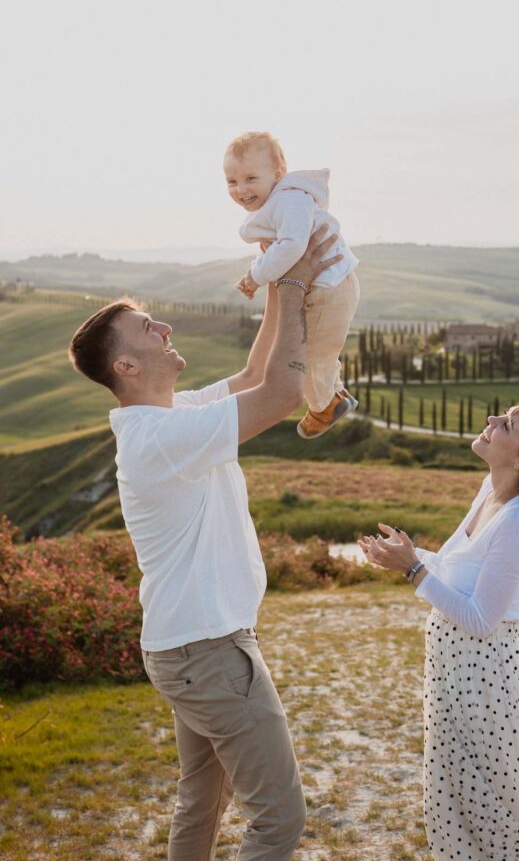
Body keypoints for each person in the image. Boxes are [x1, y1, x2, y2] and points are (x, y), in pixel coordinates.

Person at [68, 228, 341, 861]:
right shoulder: (158, 438)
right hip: (210, 650)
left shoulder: (168, 417)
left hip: (185, 647)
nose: (164, 328)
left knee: (202, 800)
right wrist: (300, 281)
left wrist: (277, 281)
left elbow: (251, 372)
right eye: (147, 329)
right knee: (278, 821)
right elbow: (278, 392)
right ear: (126, 366)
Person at [359, 384, 519, 861]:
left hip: (487, 685)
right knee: (456, 806)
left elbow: (479, 619)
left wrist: (412, 570)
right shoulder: (488, 493)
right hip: (453, 677)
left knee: (504, 813)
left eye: (508, 425)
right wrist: (406, 557)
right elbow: (457, 572)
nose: (494, 421)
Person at [224, 129, 360, 438]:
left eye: (250, 178)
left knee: (310, 354)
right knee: (321, 349)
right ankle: (336, 395)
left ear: (278, 173)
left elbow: (293, 246)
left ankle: (324, 406)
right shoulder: (284, 201)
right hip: (329, 285)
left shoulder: (290, 199)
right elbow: (283, 246)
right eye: (232, 182)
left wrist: (255, 276)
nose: (240, 189)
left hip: (329, 287)